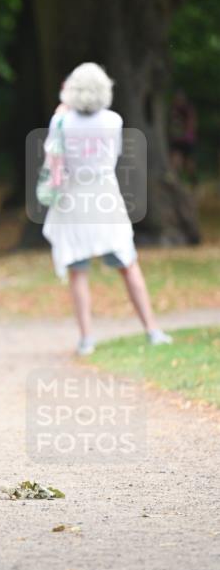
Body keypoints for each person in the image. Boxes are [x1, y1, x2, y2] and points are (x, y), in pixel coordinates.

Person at [42, 62, 172, 355]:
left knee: (78, 270)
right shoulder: (113, 121)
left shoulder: (61, 122)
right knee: (128, 264)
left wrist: (61, 112)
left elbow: (53, 158)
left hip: (73, 200)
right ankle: (152, 329)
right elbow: (113, 155)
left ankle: (86, 338)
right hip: (105, 198)